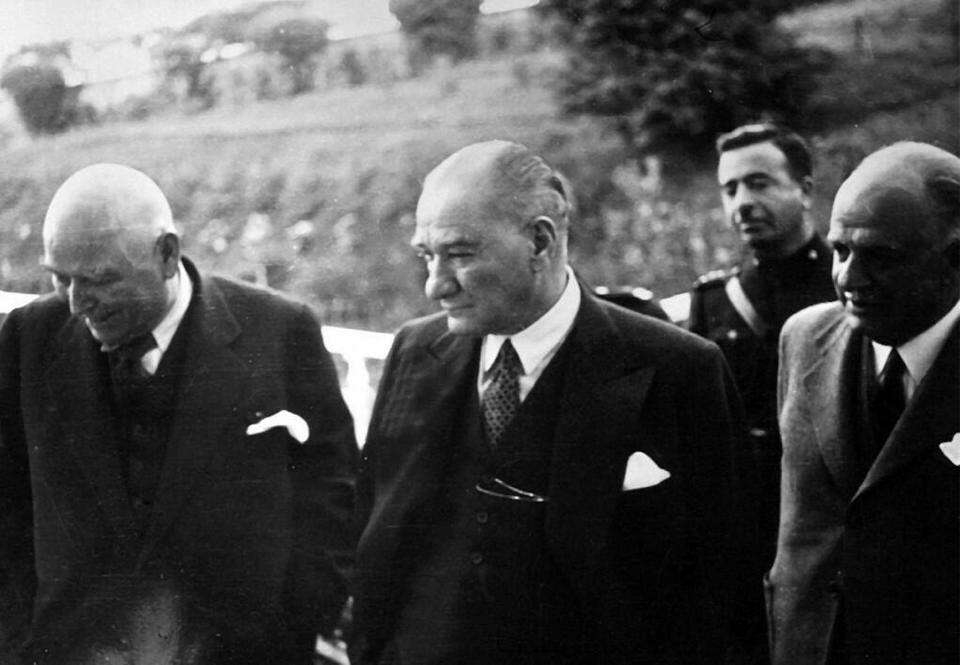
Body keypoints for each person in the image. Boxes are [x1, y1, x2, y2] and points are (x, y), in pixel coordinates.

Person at [351, 140, 760, 665]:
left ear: (539, 242)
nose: (435, 286)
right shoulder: (415, 350)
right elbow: (375, 534)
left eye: (460, 254)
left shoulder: (679, 368)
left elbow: (724, 591)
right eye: (426, 256)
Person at [0, 164, 358, 664]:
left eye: (101, 280)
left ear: (167, 254)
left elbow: (333, 498)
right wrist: (20, 642)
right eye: (61, 279)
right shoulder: (28, 337)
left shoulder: (281, 332)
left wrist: (290, 631)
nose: (78, 304)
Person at [769, 142, 960, 665]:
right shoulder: (804, 339)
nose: (848, 278)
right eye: (840, 251)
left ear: (955, 257)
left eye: (880, 257)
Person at [688, 123, 835, 564]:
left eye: (759, 183)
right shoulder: (715, 300)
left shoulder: (847, 287)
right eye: (730, 189)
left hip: (833, 518)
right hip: (751, 524)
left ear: (804, 190)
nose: (742, 203)